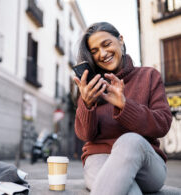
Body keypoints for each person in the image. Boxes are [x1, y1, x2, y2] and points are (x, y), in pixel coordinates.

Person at [73, 22, 172, 195]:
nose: (102, 54)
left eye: (106, 44)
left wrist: (124, 105)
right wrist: (87, 104)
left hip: (146, 166)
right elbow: (85, 135)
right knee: (129, 191)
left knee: (130, 140)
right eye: (94, 51)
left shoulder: (149, 76)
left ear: (120, 40)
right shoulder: (92, 86)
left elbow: (162, 125)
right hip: (99, 159)